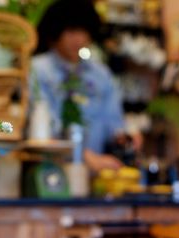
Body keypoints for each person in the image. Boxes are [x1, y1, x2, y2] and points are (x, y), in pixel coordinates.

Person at [30, 0, 139, 172]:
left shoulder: (101, 74)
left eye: (84, 31)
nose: (79, 39)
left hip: (97, 175)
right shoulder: (37, 70)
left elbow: (114, 122)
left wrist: (126, 137)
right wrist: (83, 156)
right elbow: (45, 125)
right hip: (50, 170)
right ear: (55, 31)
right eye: (72, 31)